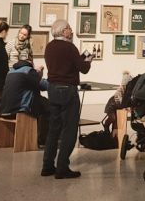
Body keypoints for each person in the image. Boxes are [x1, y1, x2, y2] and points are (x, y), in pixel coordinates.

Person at [41, 19, 92, 179]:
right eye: (69, 28)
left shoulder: (49, 47)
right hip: (68, 90)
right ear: (63, 31)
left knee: (53, 129)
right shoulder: (70, 47)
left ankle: (47, 166)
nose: (71, 31)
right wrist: (88, 57)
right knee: (70, 129)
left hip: (52, 89)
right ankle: (62, 167)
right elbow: (83, 69)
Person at [0, 59, 50, 149]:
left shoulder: (11, 71)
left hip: (4, 111)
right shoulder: (28, 71)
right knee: (50, 107)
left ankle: (41, 137)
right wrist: (41, 75)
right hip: (19, 110)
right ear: (31, 64)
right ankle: (44, 140)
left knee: (42, 103)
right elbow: (44, 86)